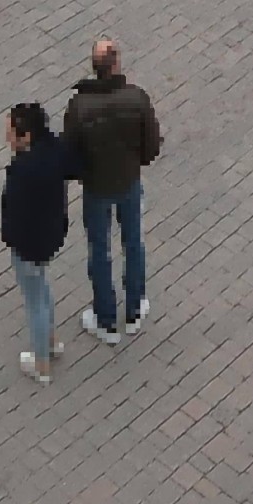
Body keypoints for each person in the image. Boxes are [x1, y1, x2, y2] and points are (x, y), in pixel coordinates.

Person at [62, 43, 168, 342]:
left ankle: (105, 318)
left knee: (99, 250)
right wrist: (137, 163)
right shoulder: (136, 98)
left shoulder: (79, 107)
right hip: (128, 183)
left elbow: (69, 155)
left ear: (94, 67)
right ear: (116, 63)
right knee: (133, 242)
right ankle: (134, 309)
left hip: (96, 189)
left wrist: (83, 175)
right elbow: (152, 145)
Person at [0, 101, 83, 375]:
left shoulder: (23, 171)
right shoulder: (54, 151)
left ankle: (41, 363)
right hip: (50, 235)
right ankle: (51, 342)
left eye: (10, 132)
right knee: (42, 289)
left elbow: (14, 212)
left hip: (29, 245)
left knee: (34, 300)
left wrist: (9, 237)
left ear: (26, 136)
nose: (7, 137)